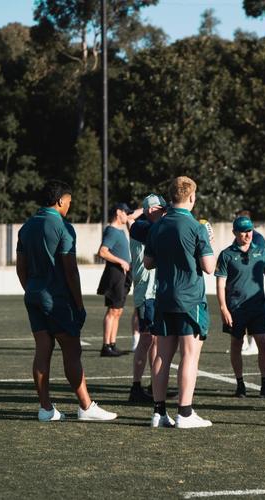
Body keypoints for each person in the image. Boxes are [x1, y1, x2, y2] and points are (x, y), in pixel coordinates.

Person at [16, 179, 117, 422]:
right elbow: (70, 271)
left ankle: (46, 408)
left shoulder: (27, 227)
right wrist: (79, 304)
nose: (70, 206)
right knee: (72, 350)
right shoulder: (63, 227)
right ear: (61, 200)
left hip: (33, 295)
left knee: (43, 350)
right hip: (57, 298)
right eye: (69, 201)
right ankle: (85, 406)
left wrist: (31, 289)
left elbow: (21, 268)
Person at [145, 176, 215, 429]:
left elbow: (148, 263)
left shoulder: (158, 226)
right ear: (192, 197)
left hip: (163, 297)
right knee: (189, 355)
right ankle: (184, 413)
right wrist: (210, 242)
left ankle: (158, 412)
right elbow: (209, 267)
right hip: (189, 299)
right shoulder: (196, 227)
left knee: (162, 355)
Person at [216, 216, 265, 398]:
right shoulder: (226, 254)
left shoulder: (261, 252)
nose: (247, 234)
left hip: (258, 308)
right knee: (236, 344)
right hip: (236, 309)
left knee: (263, 343)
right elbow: (220, 285)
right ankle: (240, 384)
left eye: (249, 230)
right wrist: (223, 309)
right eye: (243, 231)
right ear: (235, 233)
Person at [127, 194, 166, 403]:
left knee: (155, 339)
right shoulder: (141, 228)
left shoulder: (147, 225)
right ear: (151, 210)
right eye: (162, 209)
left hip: (154, 291)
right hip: (146, 292)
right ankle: (136, 387)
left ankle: (153, 384)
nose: (165, 213)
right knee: (147, 339)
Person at [97, 202, 134, 357]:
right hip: (115, 274)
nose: (128, 215)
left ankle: (112, 344)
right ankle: (106, 346)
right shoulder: (112, 231)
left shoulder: (120, 230)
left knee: (118, 310)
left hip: (122, 274)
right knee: (113, 310)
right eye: (126, 212)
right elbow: (102, 252)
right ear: (119, 212)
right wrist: (121, 261)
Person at [235, 209, 265, 356]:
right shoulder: (238, 237)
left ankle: (253, 345)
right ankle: (244, 345)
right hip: (239, 284)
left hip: (253, 285)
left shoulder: (258, 239)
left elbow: (258, 260)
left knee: (252, 315)